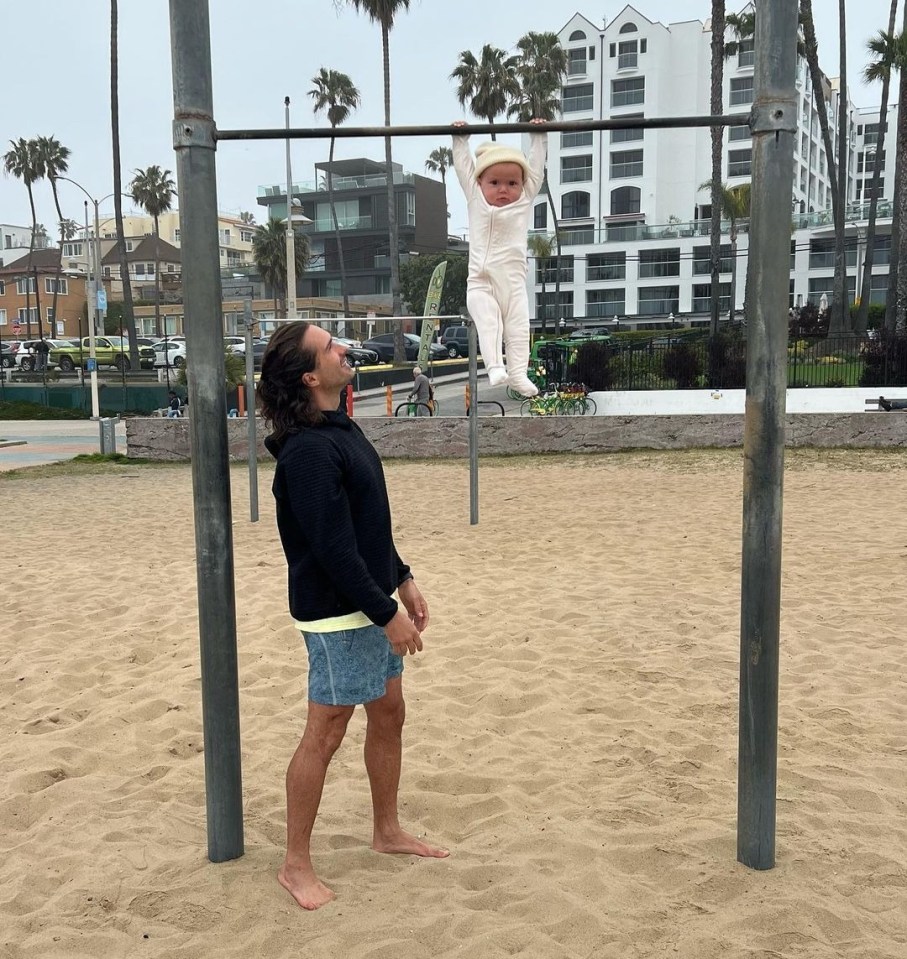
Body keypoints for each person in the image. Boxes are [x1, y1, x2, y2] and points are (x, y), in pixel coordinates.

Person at [256, 322, 448, 911]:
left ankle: (386, 832)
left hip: (368, 599)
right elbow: (333, 548)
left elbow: (369, 527)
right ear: (310, 376)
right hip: (338, 613)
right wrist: (385, 611)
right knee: (328, 728)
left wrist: (403, 576)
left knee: (389, 711)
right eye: (331, 345)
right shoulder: (310, 450)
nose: (344, 347)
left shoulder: (338, 427)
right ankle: (295, 865)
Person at [452, 119, 547, 397]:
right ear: (480, 182)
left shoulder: (525, 199)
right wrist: (460, 140)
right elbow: (463, 167)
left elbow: (536, 167)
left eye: (511, 183)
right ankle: (494, 366)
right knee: (489, 321)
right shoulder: (475, 197)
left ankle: (518, 373)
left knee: (518, 327)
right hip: (481, 281)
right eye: (495, 182)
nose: (504, 190)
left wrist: (538, 136)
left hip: (513, 282)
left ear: (523, 184)